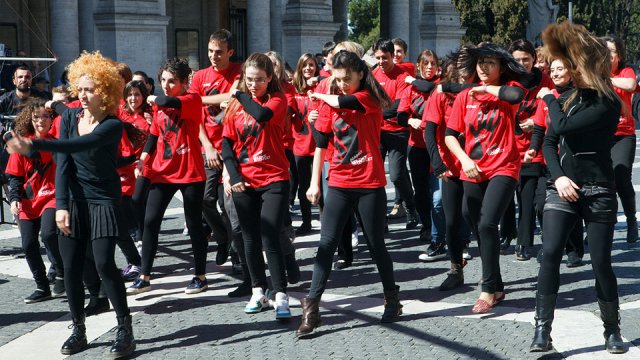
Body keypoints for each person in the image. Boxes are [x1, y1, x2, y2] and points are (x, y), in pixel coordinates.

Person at [4, 51, 135, 357]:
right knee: (72, 266)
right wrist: (60, 204)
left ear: (105, 91)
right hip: (72, 201)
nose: (84, 94)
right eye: (81, 88)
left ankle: (125, 327)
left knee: (103, 263)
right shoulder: (70, 117)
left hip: (103, 199)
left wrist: (35, 143)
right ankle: (78, 329)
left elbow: (79, 145)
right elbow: (63, 163)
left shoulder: (112, 125)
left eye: (91, 89)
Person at [529, 21, 626, 354]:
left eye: (577, 63)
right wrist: (557, 177)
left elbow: (562, 124)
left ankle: (612, 331)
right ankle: (542, 330)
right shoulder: (568, 98)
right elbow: (549, 142)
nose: (571, 68)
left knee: (601, 262)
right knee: (551, 253)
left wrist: (547, 98)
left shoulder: (608, 101)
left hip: (598, 190)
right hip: (563, 189)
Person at [296, 50, 401, 338]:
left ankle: (392, 298)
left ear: (360, 76)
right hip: (340, 182)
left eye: (346, 79)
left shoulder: (369, 99)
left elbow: (346, 100)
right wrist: (314, 183)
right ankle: (312, 307)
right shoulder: (331, 102)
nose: (342, 84)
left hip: (369, 183)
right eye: (337, 79)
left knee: (376, 244)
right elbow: (320, 141)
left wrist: (321, 96)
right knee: (326, 245)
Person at [445, 43, 527, 314]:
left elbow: (516, 95)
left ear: (501, 67)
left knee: (488, 223)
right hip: (473, 168)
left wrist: (487, 89)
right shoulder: (463, 98)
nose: (483, 67)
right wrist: (465, 161)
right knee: (473, 219)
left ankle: (488, 289)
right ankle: (499, 284)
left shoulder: (506, 91)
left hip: (504, 166)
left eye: (490, 62)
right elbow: (449, 135)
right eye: (480, 62)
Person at [127, 58, 209, 295]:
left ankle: (200, 276)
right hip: (163, 172)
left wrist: (154, 98)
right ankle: (145, 276)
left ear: (184, 83)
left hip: (190, 171)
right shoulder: (159, 105)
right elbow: (154, 135)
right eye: (163, 80)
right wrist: (143, 157)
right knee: (150, 221)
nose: (166, 84)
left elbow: (166, 100)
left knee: (194, 224)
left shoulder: (191, 100)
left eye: (172, 81)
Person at [221, 53, 292, 319]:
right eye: (249, 79)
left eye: (259, 80)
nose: (253, 84)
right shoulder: (235, 106)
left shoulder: (277, 99)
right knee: (248, 239)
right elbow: (226, 143)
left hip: (274, 178)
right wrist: (233, 175)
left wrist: (238, 95)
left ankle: (281, 294)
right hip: (245, 180)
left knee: (269, 234)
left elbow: (261, 115)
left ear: (270, 78)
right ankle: (258, 291)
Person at [189, 29, 242, 266]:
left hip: (233, 147)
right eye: (210, 51)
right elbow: (193, 112)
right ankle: (222, 238)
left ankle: (236, 250)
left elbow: (233, 97)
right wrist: (208, 146)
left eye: (219, 52)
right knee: (205, 199)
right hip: (208, 147)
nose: (213, 56)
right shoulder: (200, 76)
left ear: (230, 52)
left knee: (229, 203)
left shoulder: (238, 71)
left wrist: (201, 99)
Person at [5, 98, 65, 303]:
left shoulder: (58, 142)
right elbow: (15, 177)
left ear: (52, 119)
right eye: (36, 117)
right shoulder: (22, 143)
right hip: (28, 200)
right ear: (30, 120)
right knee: (28, 244)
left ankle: (60, 271)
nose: (41, 121)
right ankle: (42, 286)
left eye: (45, 117)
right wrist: (14, 199)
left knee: (49, 234)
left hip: (52, 196)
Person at [503, 39, 555, 260]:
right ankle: (508, 232)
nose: (522, 63)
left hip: (537, 147)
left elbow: (555, 104)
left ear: (534, 59)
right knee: (508, 197)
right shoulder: (505, 81)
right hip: (509, 146)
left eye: (526, 59)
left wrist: (537, 121)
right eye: (517, 60)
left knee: (531, 197)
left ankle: (525, 242)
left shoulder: (545, 80)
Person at [398, 49, 447, 257]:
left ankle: (441, 233)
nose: (429, 67)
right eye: (425, 64)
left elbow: (431, 86)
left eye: (432, 64)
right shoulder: (410, 90)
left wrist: (411, 79)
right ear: (418, 65)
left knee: (438, 197)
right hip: (417, 147)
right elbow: (400, 114)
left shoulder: (441, 85)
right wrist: (411, 120)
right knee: (421, 192)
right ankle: (427, 225)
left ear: (438, 66)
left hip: (438, 148)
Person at [372, 38, 418, 229]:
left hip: (398, 132)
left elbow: (399, 107)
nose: (381, 61)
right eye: (378, 58)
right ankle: (379, 216)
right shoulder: (373, 74)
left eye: (385, 57)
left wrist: (375, 110)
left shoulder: (402, 75)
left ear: (393, 56)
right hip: (377, 132)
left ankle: (411, 207)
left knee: (397, 175)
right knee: (375, 177)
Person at [603, 35, 638, 244]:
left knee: (621, 177)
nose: (608, 56)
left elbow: (631, 84)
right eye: (604, 52)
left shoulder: (624, 71)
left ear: (619, 55)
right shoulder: (592, 73)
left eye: (612, 52)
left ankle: (631, 220)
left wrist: (605, 79)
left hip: (623, 134)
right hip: (599, 135)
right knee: (601, 183)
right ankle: (601, 225)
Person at [291, 53, 320, 235]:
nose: (308, 68)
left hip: (319, 144)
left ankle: (326, 221)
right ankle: (306, 221)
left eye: (312, 65)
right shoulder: (293, 89)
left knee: (322, 186)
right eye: (305, 65)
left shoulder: (322, 86)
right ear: (300, 68)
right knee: (303, 186)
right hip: (300, 144)